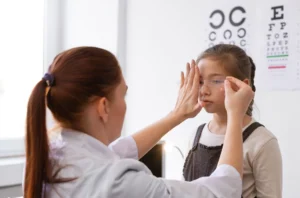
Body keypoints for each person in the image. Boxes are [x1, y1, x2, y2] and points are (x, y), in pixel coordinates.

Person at [24, 46, 254, 198]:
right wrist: (235, 115)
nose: (204, 89)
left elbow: (116, 151)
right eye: (123, 95)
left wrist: (176, 116)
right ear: (103, 106)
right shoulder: (118, 182)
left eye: (215, 81)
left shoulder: (55, 151)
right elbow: (222, 191)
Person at [183, 44, 282, 198]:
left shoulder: (262, 141)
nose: (204, 90)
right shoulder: (197, 135)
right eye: (201, 81)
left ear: (242, 86)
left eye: (216, 81)